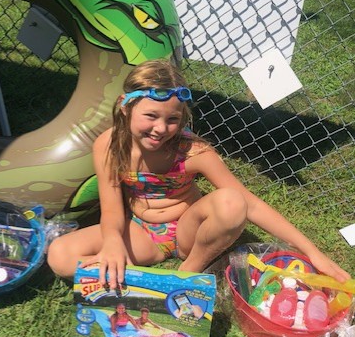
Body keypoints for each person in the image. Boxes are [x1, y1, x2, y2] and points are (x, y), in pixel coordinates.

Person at [47, 59, 350, 290]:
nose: (161, 129)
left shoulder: (193, 151)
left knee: (232, 202)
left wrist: (313, 252)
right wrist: (113, 242)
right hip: (141, 232)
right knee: (60, 255)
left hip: (188, 232)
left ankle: (189, 271)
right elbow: (112, 209)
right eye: (150, 115)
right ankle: (134, 276)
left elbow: (250, 204)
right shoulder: (109, 146)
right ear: (124, 108)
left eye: (172, 119)